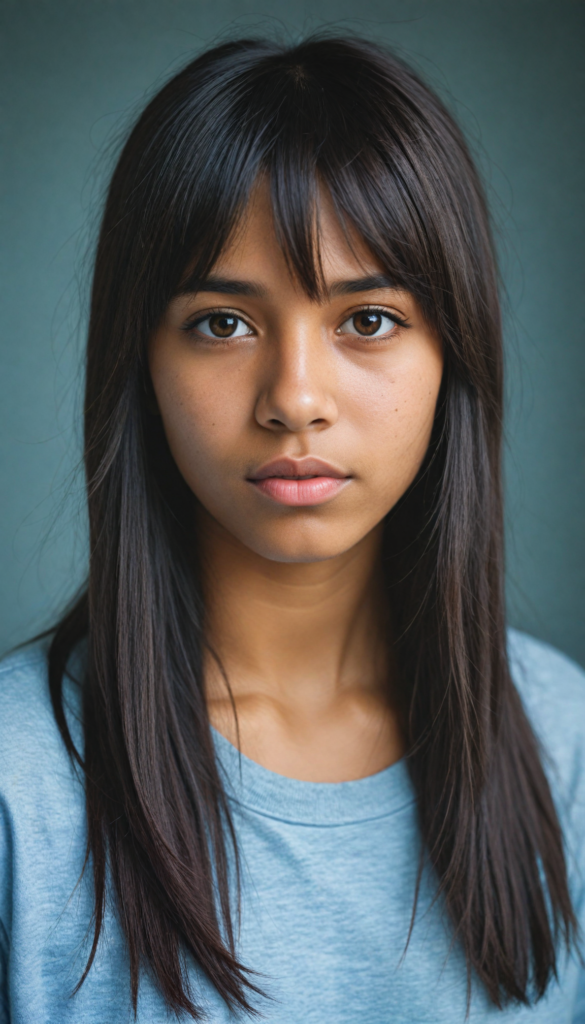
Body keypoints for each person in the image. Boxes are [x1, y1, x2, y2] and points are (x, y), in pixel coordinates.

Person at [0, 35, 583, 1024]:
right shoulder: (19, 784)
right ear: (139, 361)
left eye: (368, 320)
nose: (295, 398)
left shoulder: (564, 746)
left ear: (454, 354)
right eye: (223, 322)